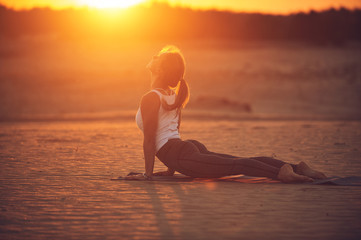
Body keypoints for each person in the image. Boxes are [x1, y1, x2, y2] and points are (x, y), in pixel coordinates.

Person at [126, 45, 327, 183]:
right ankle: (297, 167)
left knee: (235, 165)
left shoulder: (150, 98)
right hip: (184, 148)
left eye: (157, 57)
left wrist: (147, 175)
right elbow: (172, 130)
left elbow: (151, 141)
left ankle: (282, 173)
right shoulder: (171, 94)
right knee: (237, 160)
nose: (153, 57)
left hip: (181, 153)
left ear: (160, 69)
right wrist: (170, 169)